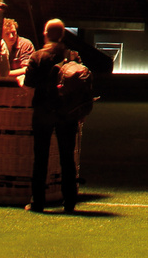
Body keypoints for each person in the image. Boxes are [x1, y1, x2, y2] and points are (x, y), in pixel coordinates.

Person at [21, 20, 91, 213]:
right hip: (67, 113)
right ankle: (69, 202)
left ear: (45, 33)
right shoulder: (72, 55)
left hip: (43, 111)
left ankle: (38, 202)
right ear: (62, 35)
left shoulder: (37, 56)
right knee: (67, 158)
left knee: (41, 157)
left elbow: (29, 86)